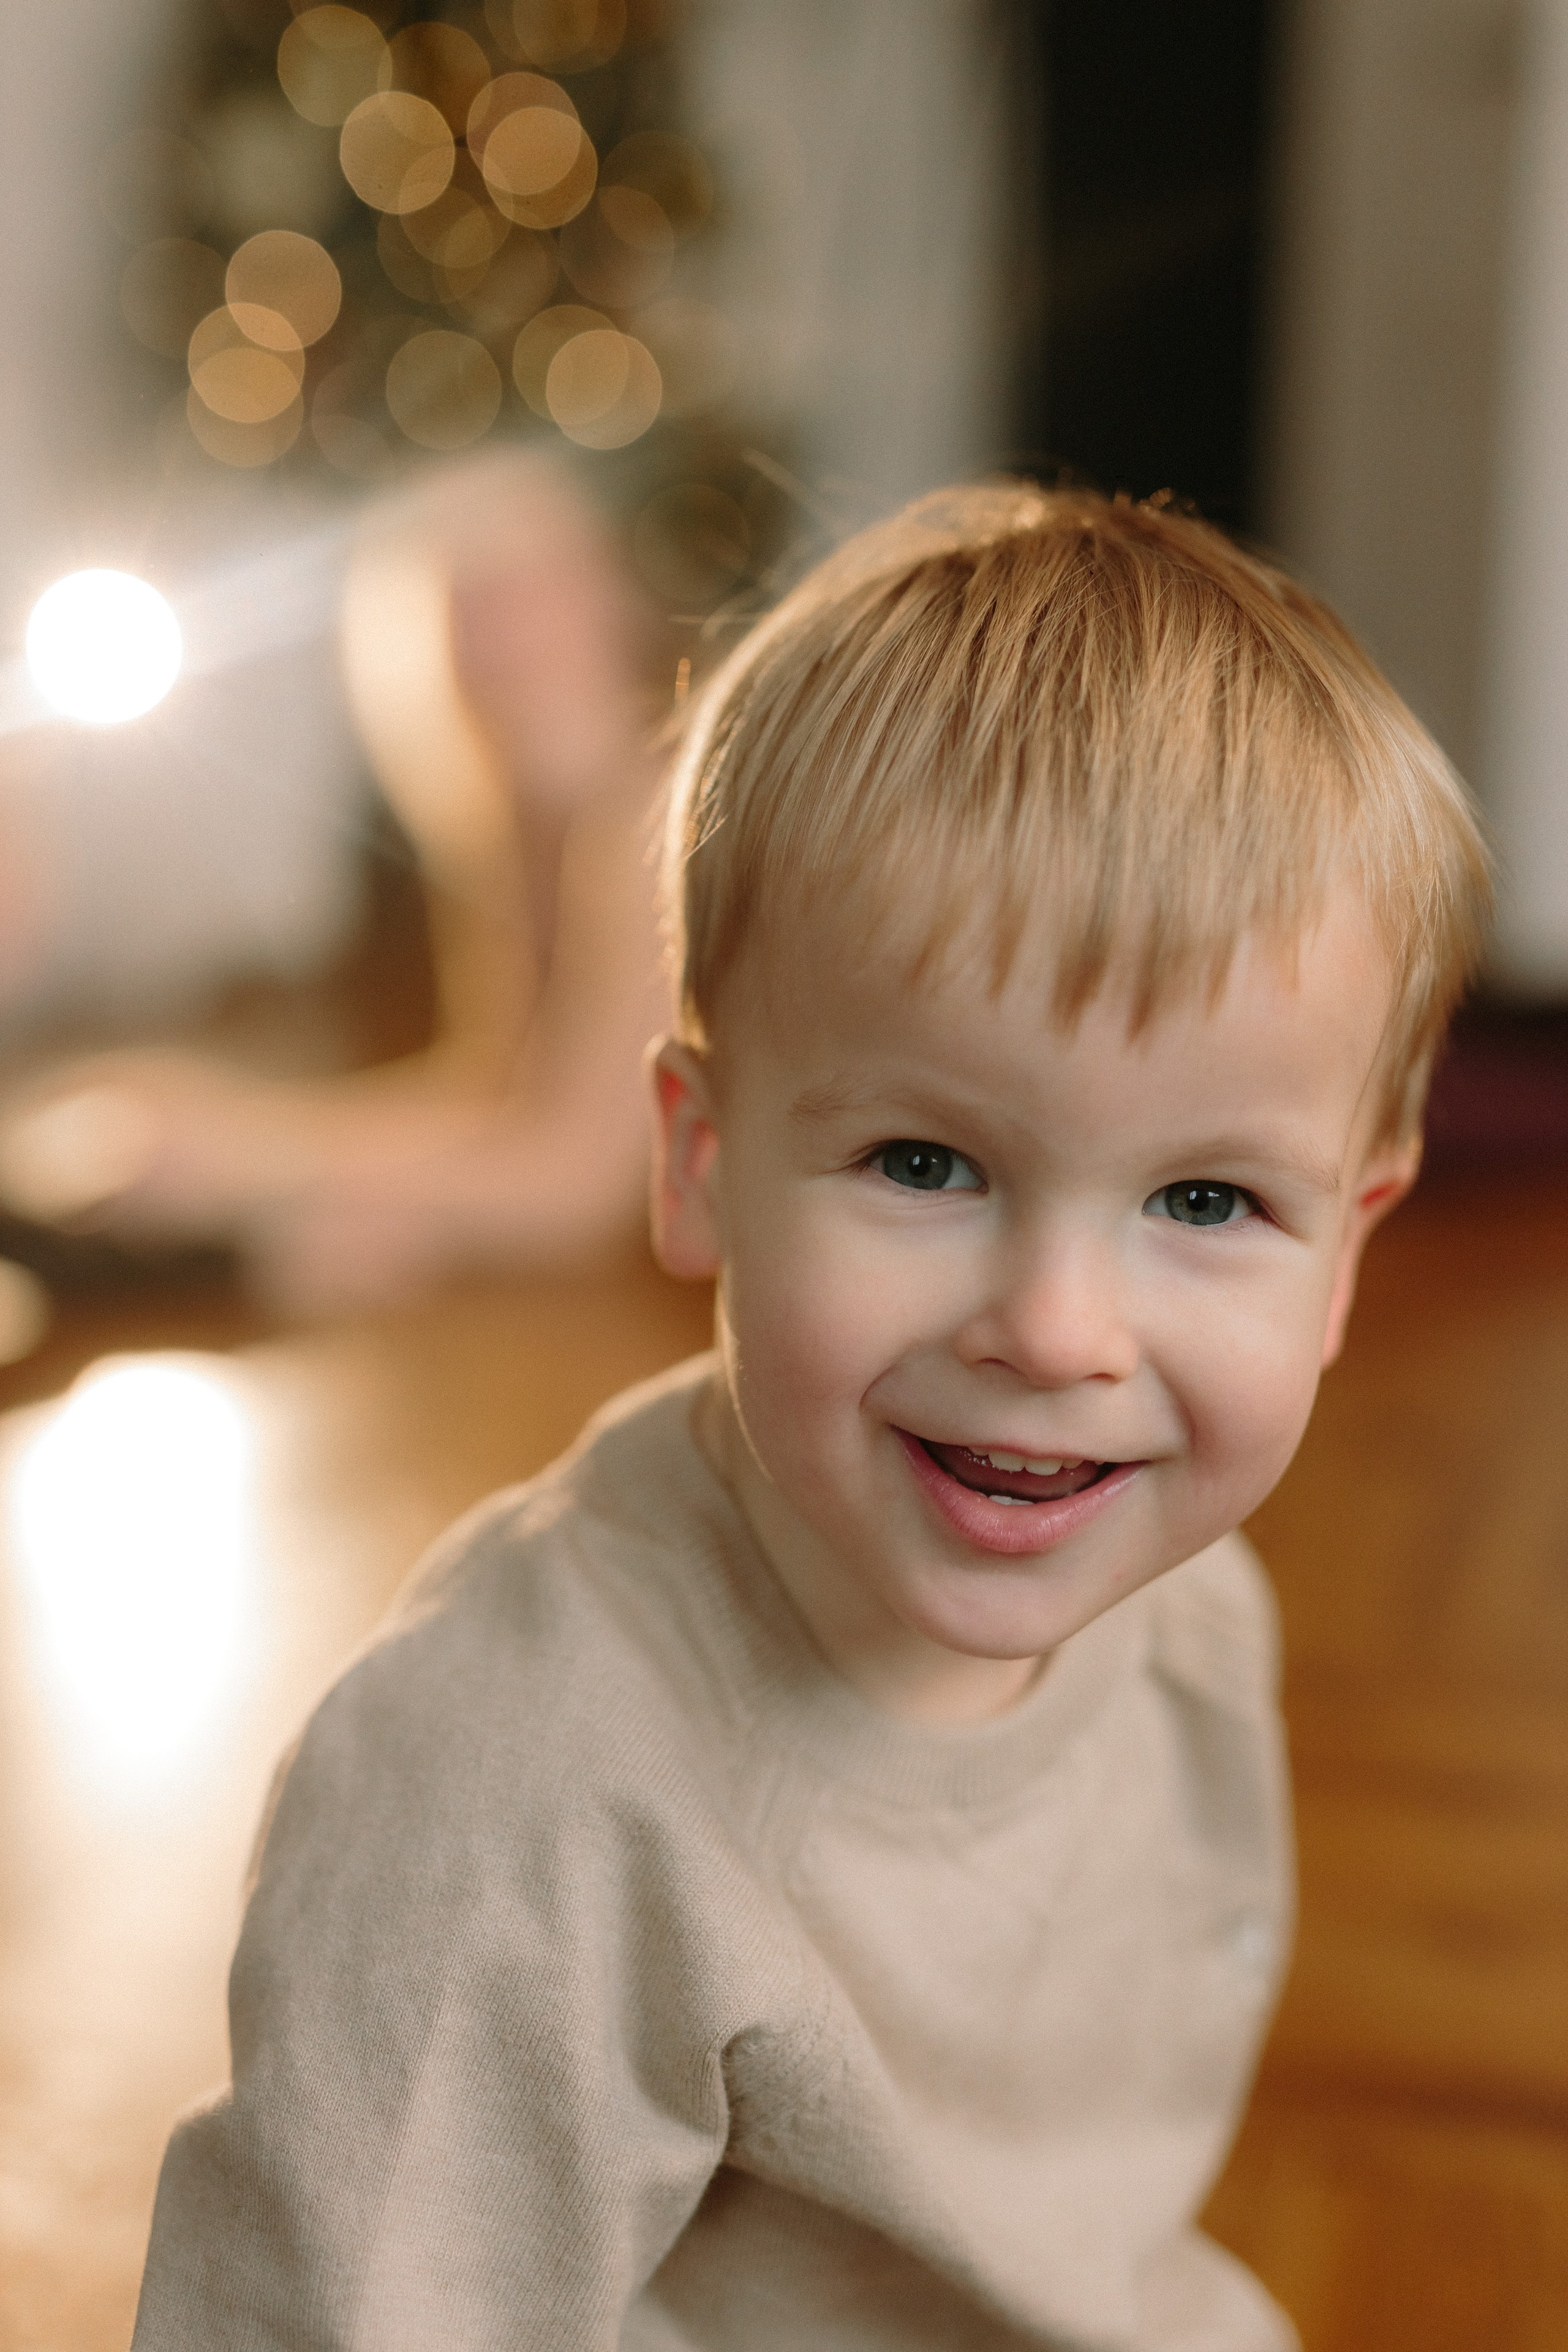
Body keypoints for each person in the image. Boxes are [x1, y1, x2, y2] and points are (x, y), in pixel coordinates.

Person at [129, 483, 1490, 2350]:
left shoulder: (1186, 1610)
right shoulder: (526, 1794)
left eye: (1205, 1200)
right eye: (925, 1162)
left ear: (1348, 1257)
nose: (1057, 1333)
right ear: (698, 1164)